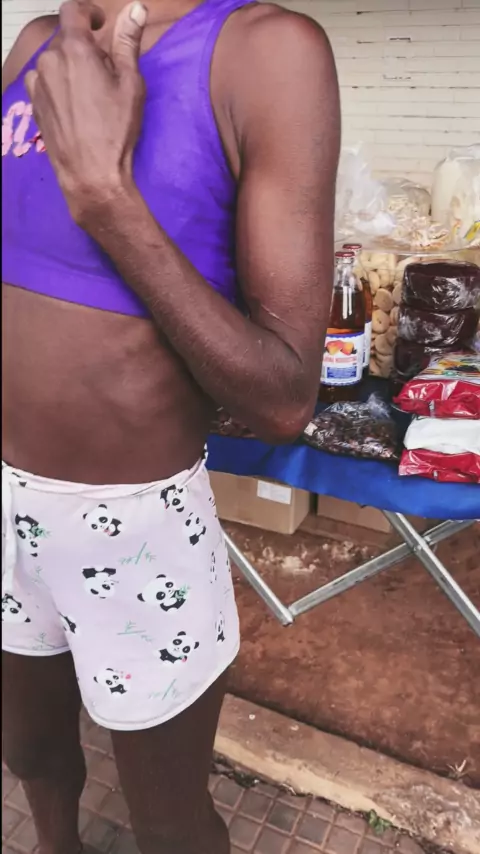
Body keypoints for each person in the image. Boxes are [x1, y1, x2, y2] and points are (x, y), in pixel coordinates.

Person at [1, 0, 340, 849]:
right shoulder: (36, 45)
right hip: (2, 509)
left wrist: (106, 197)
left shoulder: (266, 53)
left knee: (170, 822)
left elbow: (282, 399)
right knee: (31, 753)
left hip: (131, 528)